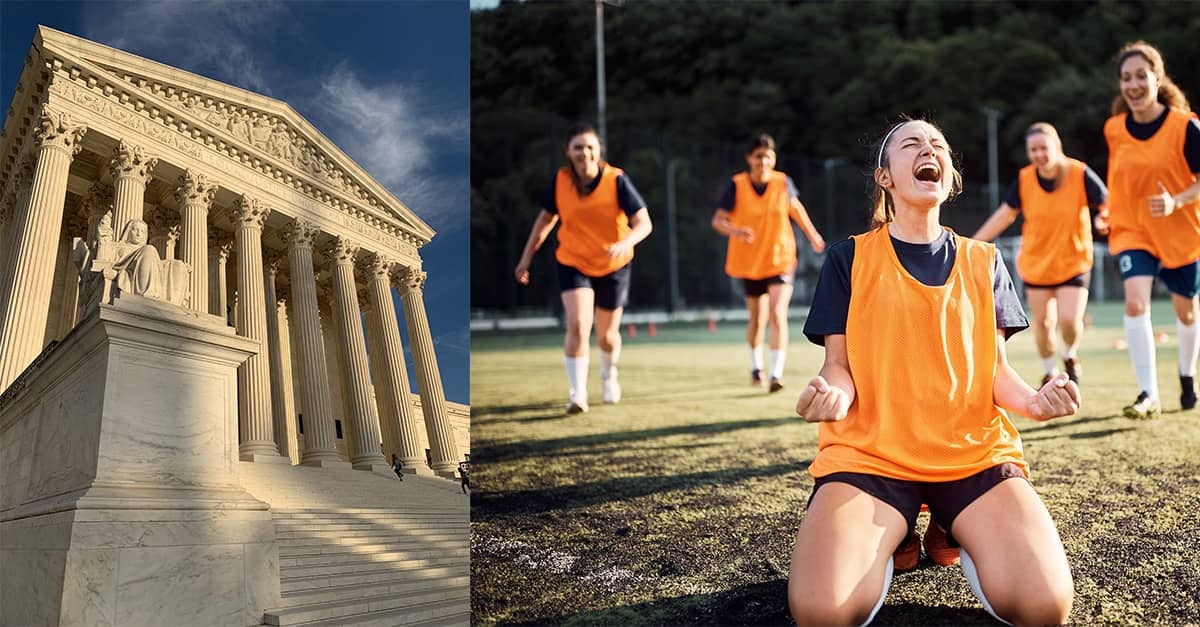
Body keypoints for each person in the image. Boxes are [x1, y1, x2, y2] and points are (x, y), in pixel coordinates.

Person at [789, 119, 1077, 626]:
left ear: (949, 177)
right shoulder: (848, 258)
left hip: (972, 458)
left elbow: (995, 372)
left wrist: (1033, 401)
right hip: (869, 459)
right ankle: (898, 533)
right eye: (912, 143)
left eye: (939, 144)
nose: (930, 149)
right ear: (885, 178)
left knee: (1045, 608)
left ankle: (951, 523)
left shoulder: (985, 260)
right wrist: (830, 394)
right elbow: (838, 367)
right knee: (820, 613)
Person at [514, 122, 653, 414]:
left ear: (599, 150)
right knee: (578, 324)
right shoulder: (560, 181)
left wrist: (627, 242)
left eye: (590, 147)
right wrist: (526, 258)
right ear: (568, 151)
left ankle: (608, 374)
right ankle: (578, 393)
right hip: (574, 261)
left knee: (607, 336)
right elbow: (544, 222)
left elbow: (644, 222)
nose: (584, 153)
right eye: (578, 147)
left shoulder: (617, 180)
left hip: (614, 263)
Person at [1097, 40, 1200, 420]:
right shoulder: (1113, 129)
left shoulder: (1185, 127)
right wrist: (1108, 212)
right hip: (1132, 232)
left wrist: (1176, 201)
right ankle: (1148, 393)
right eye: (1126, 78)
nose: (1134, 84)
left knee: (1187, 314)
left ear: (1158, 78)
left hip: (1181, 232)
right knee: (1135, 301)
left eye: (1141, 75)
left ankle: (1187, 376)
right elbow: (1123, 181)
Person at [972, 123, 1108, 386]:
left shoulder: (1079, 173)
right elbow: (1005, 214)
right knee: (1044, 323)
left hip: (1073, 260)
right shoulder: (1025, 179)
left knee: (1069, 321)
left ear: (1056, 147)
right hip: (1037, 263)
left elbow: (1106, 202)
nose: (1038, 155)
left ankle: (1069, 355)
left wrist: (1105, 217)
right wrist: (975, 243)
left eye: (1043, 148)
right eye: (1032, 150)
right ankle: (1049, 369)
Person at [712, 134, 826, 392]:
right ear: (749, 158)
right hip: (751, 262)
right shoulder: (737, 185)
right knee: (757, 317)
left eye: (768, 156)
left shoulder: (783, 182)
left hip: (780, 258)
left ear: (773, 159)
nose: (763, 161)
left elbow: (796, 209)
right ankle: (756, 367)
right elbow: (718, 220)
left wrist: (813, 235)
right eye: (758, 156)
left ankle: (776, 374)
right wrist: (736, 231)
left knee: (777, 313)